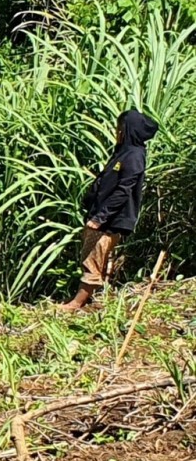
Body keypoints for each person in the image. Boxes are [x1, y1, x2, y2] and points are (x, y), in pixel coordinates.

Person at [61, 109, 160, 311]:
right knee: (100, 257)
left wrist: (100, 217)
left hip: (111, 219)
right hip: (104, 215)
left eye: (119, 127)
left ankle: (75, 304)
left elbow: (124, 190)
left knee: (92, 259)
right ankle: (98, 300)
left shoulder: (134, 155)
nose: (117, 131)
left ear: (126, 129)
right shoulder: (124, 152)